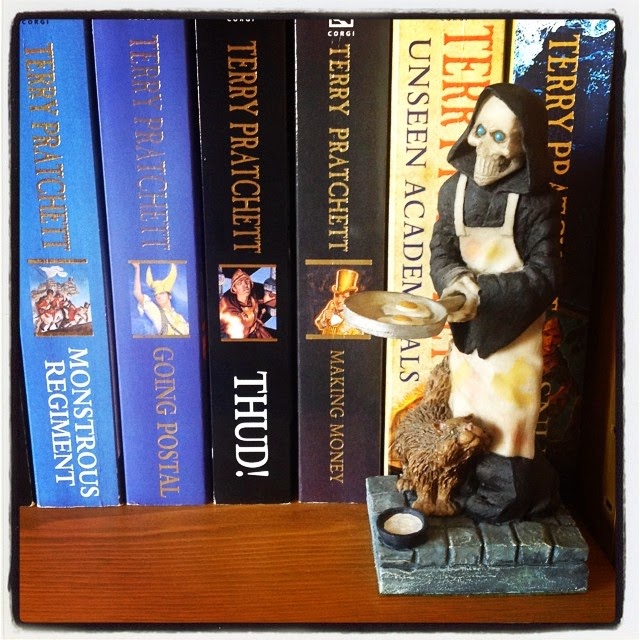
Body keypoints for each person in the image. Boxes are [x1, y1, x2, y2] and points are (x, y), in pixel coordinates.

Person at [429, 83, 562, 522]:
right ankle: (461, 481)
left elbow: (545, 275)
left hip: (514, 336)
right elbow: (442, 249)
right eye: (481, 131)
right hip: (467, 332)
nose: (486, 147)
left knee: (507, 419)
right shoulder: (452, 192)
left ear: (527, 145)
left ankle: (508, 495)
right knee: (465, 409)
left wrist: (485, 292)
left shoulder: (538, 204)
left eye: (501, 137)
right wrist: (454, 281)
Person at [132, 261, 189, 336]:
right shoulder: (155, 311)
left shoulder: (179, 317)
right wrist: (137, 269)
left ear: (170, 296)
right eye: (156, 295)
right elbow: (137, 293)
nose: (158, 296)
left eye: (162, 293)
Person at [219, 268, 273, 339]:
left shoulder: (252, 300)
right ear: (234, 288)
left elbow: (255, 302)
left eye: (247, 281)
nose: (245, 285)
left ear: (251, 284)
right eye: (240, 283)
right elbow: (246, 322)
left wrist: (265, 300)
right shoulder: (228, 307)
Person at [314, 268, 363, 336]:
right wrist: (324, 320)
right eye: (337, 295)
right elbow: (319, 323)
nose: (339, 300)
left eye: (344, 297)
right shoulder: (331, 304)